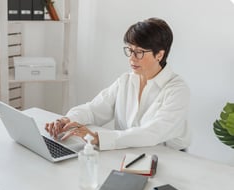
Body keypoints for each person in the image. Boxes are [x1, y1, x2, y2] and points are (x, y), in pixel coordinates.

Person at [45, 17, 190, 151]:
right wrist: (67, 120)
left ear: (159, 54)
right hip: (128, 154)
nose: (132, 58)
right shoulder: (125, 81)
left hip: (168, 158)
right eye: (130, 50)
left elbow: (152, 133)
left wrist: (97, 137)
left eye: (139, 52)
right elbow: (93, 110)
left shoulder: (177, 90)